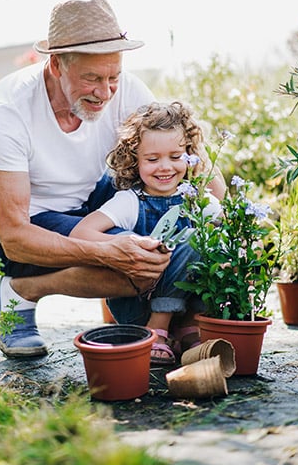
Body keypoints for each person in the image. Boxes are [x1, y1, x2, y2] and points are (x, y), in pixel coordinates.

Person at [0, 0, 226, 359]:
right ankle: (21, 290)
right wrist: (109, 251)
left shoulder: (126, 89)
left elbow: (179, 147)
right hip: (25, 229)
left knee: (155, 249)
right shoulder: (6, 111)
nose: (105, 92)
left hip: (90, 205)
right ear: (56, 64)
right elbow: (14, 237)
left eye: (113, 77)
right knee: (135, 267)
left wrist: (223, 216)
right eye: (91, 78)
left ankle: (182, 325)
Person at [70, 101, 223, 365]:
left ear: (189, 154)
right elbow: (81, 232)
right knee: (191, 240)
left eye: (176, 157)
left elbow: (229, 229)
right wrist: (125, 242)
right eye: (152, 159)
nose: (165, 167)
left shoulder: (199, 200)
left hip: (186, 309)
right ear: (134, 160)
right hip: (136, 306)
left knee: (212, 242)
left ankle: (187, 328)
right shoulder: (131, 201)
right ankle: (157, 328)